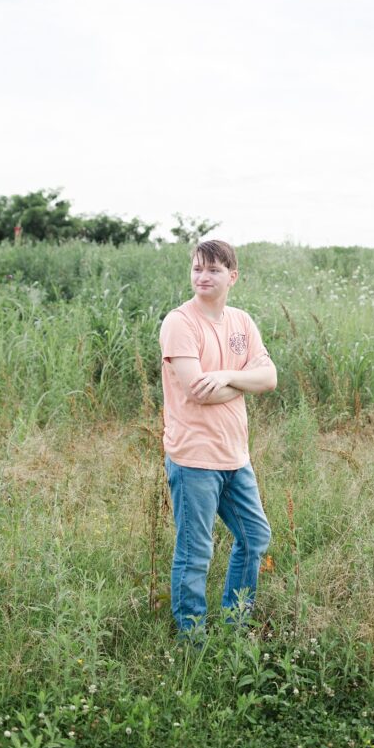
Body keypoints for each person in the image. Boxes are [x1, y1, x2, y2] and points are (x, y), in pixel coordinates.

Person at [159, 239, 277, 638]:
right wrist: (246, 382)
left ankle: (235, 621)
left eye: (212, 269)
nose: (202, 276)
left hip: (234, 456)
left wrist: (227, 377)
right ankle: (192, 638)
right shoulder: (180, 322)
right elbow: (197, 391)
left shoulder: (241, 322)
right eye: (196, 268)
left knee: (255, 536)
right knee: (196, 552)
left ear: (232, 276)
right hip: (193, 456)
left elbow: (271, 378)